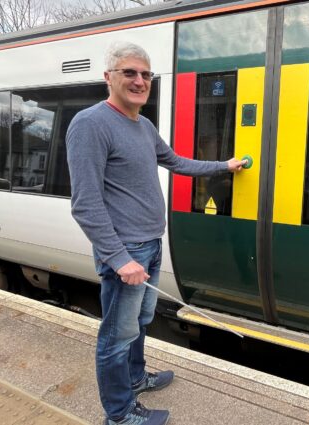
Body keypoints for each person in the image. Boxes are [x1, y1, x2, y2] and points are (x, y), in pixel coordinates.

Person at [66, 41, 246, 425]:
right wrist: (119, 259)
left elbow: (176, 161)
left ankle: (136, 377)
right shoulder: (90, 124)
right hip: (126, 251)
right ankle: (119, 414)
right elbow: (85, 203)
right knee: (115, 337)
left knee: (139, 322)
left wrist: (224, 166)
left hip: (149, 244)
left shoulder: (143, 125)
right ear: (108, 78)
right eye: (129, 72)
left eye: (146, 74)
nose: (139, 81)